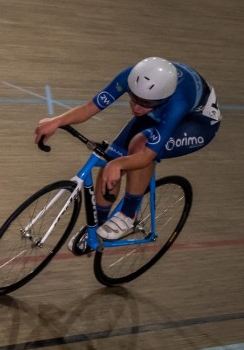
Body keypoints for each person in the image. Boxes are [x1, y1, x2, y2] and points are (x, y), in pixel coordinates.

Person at [35, 56, 221, 254]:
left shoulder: (178, 102)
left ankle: (127, 214)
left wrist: (119, 165)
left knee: (139, 147)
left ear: (162, 98)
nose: (135, 107)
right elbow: (90, 107)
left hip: (197, 124)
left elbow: (147, 155)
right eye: (133, 98)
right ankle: (97, 227)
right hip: (158, 111)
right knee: (111, 160)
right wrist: (57, 121)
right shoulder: (132, 77)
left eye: (144, 103)